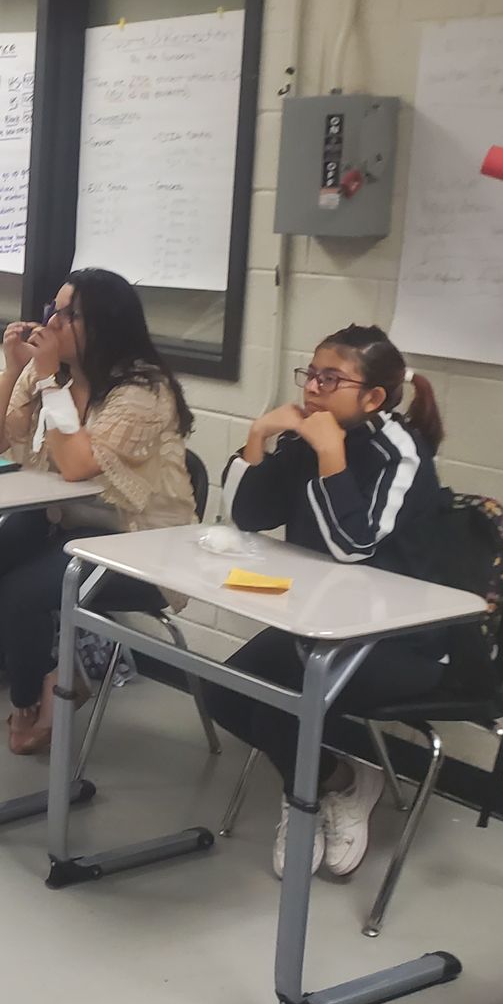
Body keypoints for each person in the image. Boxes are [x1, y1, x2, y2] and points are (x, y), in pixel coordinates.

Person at [203, 324, 460, 881]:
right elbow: (248, 517)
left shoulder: (400, 451)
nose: (314, 388)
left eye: (331, 379)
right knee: (222, 692)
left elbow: (353, 546)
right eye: (312, 375)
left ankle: (304, 799)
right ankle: (340, 781)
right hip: (319, 621)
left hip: (398, 639)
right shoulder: (308, 435)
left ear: (373, 397)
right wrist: (258, 437)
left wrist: (331, 455)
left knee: (281, 703)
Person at [0, 268, 195, 755]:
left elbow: (76, 466)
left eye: (70, 315)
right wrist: (12, 370)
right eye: (53, 310)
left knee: (21, 593)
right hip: (68, 526)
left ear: (105, 324)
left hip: (138, 543)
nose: (53, 323)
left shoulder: (144, 392)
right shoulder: (51, 373)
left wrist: (46, 380)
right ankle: (53, 675)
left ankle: (27, 698)